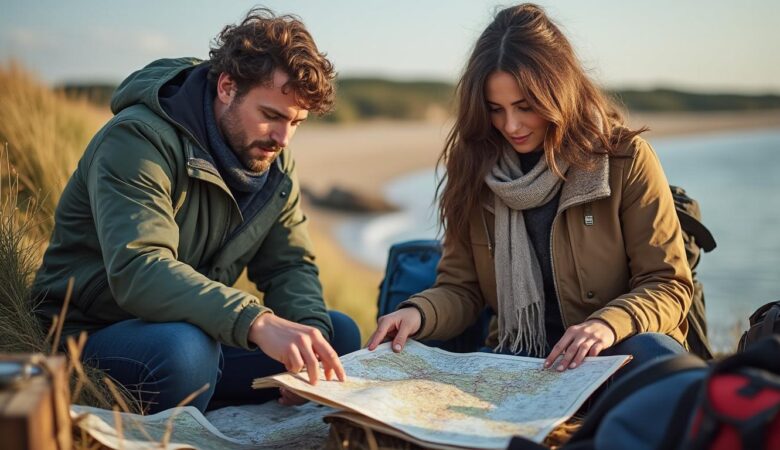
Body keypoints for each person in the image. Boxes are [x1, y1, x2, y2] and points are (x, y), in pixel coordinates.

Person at [32, 8, 360, 413]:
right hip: (90, 334)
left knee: (335, 340)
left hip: (197, 328)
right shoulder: (137, 140)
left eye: (296, 123)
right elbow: (140, 269)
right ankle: (201, 394)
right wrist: (254, 322)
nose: (282, 138)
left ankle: (207, 395)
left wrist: (306, 348)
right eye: (271, 115)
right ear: (227, 87)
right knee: (188, 355)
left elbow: (288, 265)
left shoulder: (274, 164)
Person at [368, 3, 693, 378]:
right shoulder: (474, 167)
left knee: (661, 360)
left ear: (557, 92)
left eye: (525, 106)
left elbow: (668, 284)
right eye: (495, 109)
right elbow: (462, 289)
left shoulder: (623, 159)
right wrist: (417, 313)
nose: (511, 125)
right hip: (517, 355)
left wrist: (607, 325)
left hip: (616, 351)